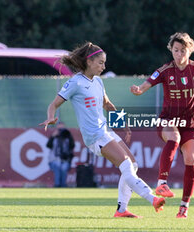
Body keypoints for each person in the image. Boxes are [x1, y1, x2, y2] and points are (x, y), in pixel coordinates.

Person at [40, 42, 165, 218]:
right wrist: (50, 117)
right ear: (89, 61)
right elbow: (54, 104)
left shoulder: (98, 81)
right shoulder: (75, 82)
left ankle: (121, 210)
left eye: (104, 62)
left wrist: (123, 125)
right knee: (127, 165)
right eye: (100, 62)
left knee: (133, 165)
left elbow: (107, 104)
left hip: (105, 131)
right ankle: (152, 198)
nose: (104, 66)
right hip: (94, 136)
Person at [130, 32, 194, 218]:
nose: (179, 54)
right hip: (168, 119)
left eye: (183, 50)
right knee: (174, 138)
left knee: (191, 159)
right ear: (171, 50)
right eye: (176, 50)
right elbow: (145, 85)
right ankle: (162, 183)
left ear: (190, 51)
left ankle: (184, 207)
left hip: (191, 123)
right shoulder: (165, 70)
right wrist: (138, 90)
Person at [46, 122, 75, 187]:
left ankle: (63, 185)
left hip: (65, 160)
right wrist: (53, 136)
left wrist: (68, 134)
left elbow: (72, 146)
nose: (61, 131)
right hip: (54, 159)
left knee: (64, 168)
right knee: (57, 165)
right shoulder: (54, 137)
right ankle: (57, 185)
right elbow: (48, 145)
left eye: (62, 129)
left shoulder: (67, 136)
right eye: (59, 129)